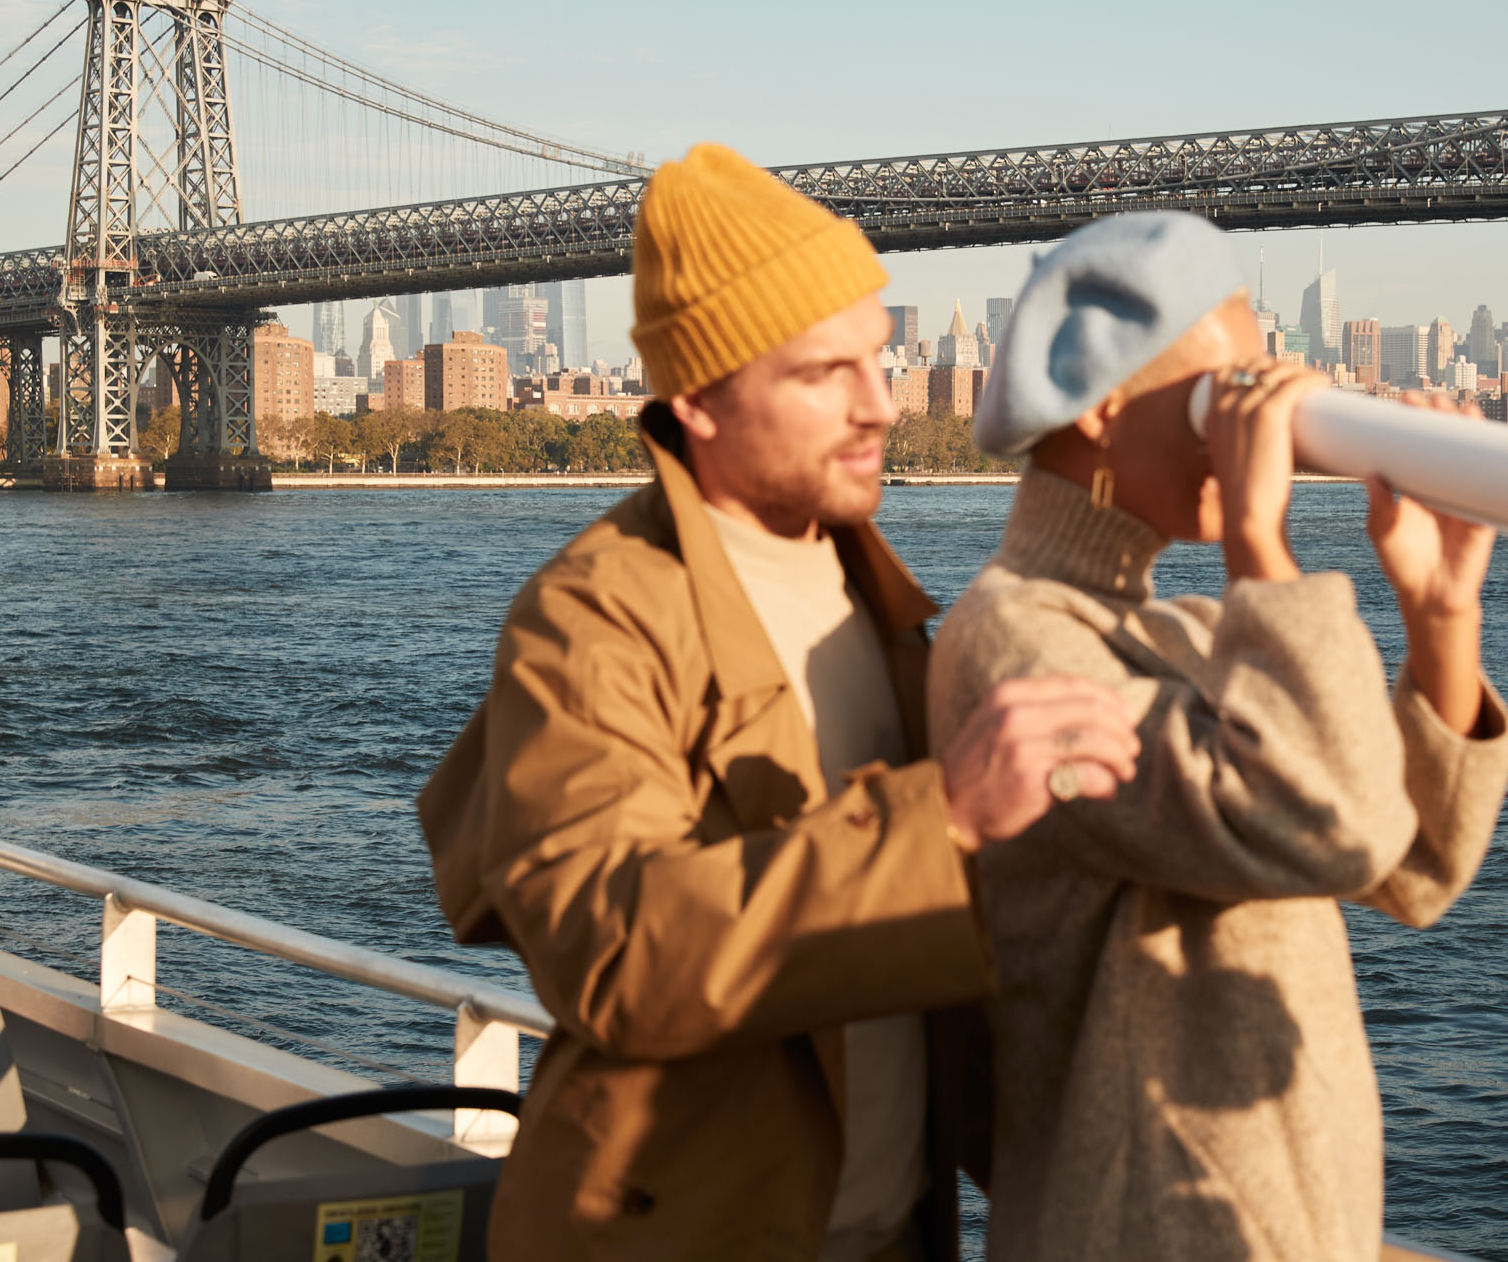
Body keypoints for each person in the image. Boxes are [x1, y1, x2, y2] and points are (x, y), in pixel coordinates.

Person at [416, 144, 1139, 1261]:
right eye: (821, 374)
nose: (879, 406)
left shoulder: (877, 601)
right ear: (697, 400)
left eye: (880, 359)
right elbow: (609, 952)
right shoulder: (590, 616)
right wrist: (938, 817)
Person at [926, 211, 1508, 1262]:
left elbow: (1412, 867)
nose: (1252, 427)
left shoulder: (1187, 632)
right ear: (1103, 411)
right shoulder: (1010, 644)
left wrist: (1439, 619)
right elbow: (1326, 828)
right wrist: (1258, 541)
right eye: (1220, 399)